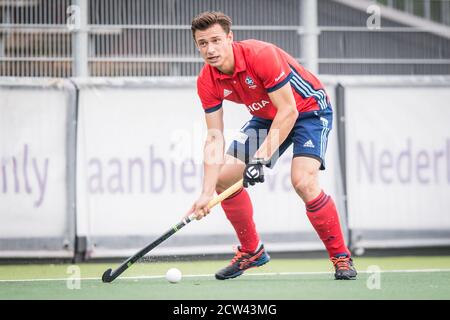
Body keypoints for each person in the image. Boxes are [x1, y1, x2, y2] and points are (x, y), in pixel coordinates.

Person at [186, 11, 357, 280]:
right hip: (266, 117)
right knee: (223, 179)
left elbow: (288, 111)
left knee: (303, 180)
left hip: (308, 111)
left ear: (230, 38)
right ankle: (252, 251)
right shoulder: (207, 80)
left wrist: (261, 157)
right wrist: (206, 193)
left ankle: (341, 257)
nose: (210, 49)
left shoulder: (260, 55)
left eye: (216, 40)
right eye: (203, 43)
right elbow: (214, 137)